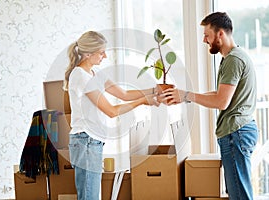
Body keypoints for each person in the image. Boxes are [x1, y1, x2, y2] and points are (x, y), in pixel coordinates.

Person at [160, 12, 258, 200]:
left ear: (220, 34)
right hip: (237, 132)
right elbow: (219, 95)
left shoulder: (233, 60)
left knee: (239, 195)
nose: (204, 40)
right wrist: (184, 97)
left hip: (236, 133)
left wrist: (187, 95)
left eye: (207, 35)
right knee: (238, 192)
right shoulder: (232, 57)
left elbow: (221, 102)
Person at [63, 31, 159, 200]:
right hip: (85, 141)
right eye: (101, 52)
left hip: (93, 141)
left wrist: (154, 90)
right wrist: (144, 101)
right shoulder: (79, 76)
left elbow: (124, 94)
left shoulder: (96, 73)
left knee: (92, 195)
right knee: (89, 196)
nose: (105, 56)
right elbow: (112, 111)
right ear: (87, 53)